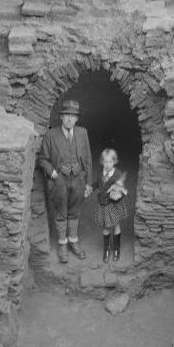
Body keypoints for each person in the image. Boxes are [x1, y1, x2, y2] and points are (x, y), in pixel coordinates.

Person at [37, 99, 93, 263]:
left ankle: (73, 242)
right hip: (59, 180)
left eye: (73, 116)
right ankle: (62, 244)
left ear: (77, 119)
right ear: (61, 117)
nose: (69, 119)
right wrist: (53, 173)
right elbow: (42, 159)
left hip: (78, 179)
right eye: (66, 115)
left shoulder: (83, 133)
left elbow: (88, 159)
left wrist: (88, 182)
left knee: (75, 211)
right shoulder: (51, 134)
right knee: (61, 212)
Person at [93, 148, 130, 263]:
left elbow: (122, 189)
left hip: (114, 205)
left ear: (114, 162)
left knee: (116, 226)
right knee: (106, 227)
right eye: (105, 162)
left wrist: (118, 194)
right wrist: (90, 188)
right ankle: (106, 249)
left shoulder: (117, 174)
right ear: (102, 162)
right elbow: (97, 184)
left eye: (110, 162)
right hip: (104, 204)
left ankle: (117, 249)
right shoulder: (100, 174)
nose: (107, 164)